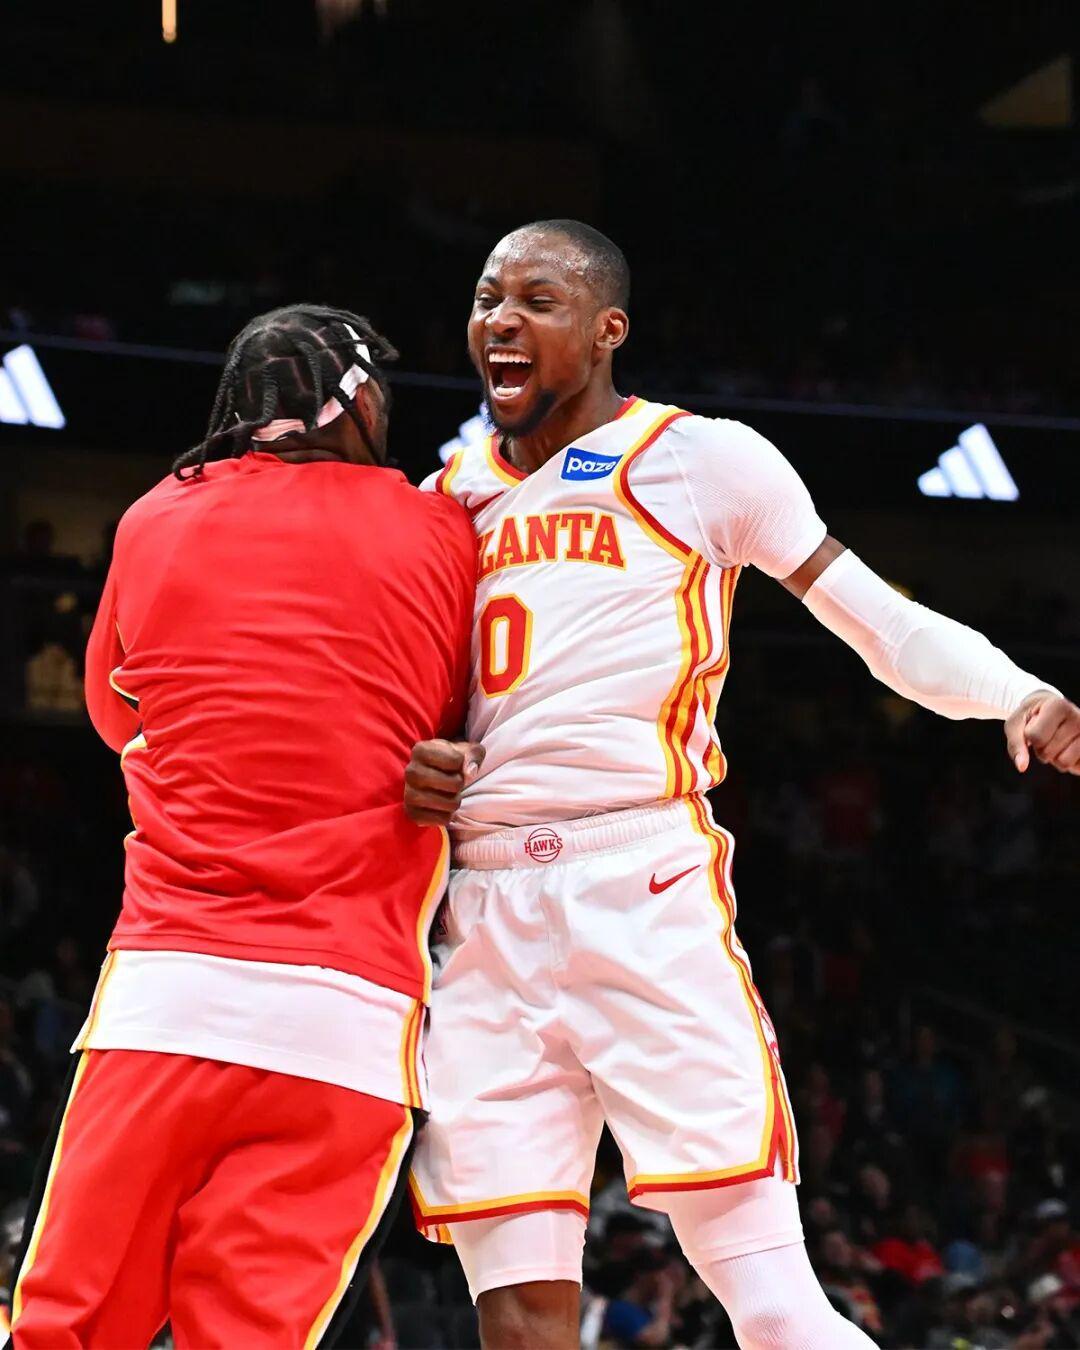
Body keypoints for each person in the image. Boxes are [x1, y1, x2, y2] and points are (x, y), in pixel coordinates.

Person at [402, 219, 1080, 1349]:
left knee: (769, 1307)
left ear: (608, 329)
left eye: (537, 301)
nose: (500, 322)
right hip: (478, 911)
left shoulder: (700, 459)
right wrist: (411, 761)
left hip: (636, 882)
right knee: (516, 1321)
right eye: (486, 299)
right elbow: (411, 705)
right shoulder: (442, 496)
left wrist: (1018, 694)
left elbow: (881, 626)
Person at [8, 305, 477, 1348]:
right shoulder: (442, 529)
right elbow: (460, 723)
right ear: (355, 401)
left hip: (166, 999)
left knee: (65, 1331)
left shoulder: (154, 516)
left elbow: (116, 719)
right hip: (348, 1024)